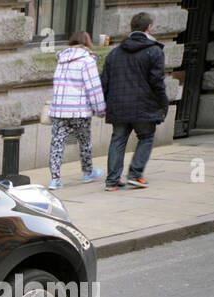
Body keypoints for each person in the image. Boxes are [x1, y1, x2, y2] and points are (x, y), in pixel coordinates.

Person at [100, 12, 169, 191]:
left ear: (131, 28)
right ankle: (135, 174)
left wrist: (106, 105)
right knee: (146, 137)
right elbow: (157, 82)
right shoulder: (154, 51)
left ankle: (112, 181)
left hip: (118, 106)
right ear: (149, 28)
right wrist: (163, 104)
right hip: (143, 105)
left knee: (118, 140)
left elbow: (104, 83)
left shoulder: (114, 53)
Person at [48, 32, 106, 189]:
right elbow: (93, 87)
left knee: (57, 143)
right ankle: (87, 173)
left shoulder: (61, 59)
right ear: (87, 42)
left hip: (59, 110)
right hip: (79, 110)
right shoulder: (87, 60)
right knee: (85, 141)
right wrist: (100, 108)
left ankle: (55, 179)